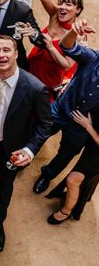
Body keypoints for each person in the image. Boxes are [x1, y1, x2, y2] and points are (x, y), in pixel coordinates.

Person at [0, 35, 52, 252]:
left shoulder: (35, 88)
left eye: (6, 50)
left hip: (11, 145)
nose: (1, 55)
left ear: (16, 54)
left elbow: (45, 124)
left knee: (3, 184)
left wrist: (30, 149)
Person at [33, 19, 98, 195]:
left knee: (65, 154)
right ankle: (27, 156)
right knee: (39, 132)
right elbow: (67, 47)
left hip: (81, 125)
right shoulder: (94, 58)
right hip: (61, 109)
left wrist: (89, 126)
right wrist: (74, 32)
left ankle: (47, 175)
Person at [28, 0, 82, 98]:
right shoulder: (54, 15)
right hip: (31, 69)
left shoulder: (77, 34)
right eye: (61, 3)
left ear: (78, 10)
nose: (62, 7)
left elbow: (67, 65)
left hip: (49, 81)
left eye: (69, 5)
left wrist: (50, 47)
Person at [46, 109, 99, 223]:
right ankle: (83, 196)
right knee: (87, 180)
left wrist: (88, 126)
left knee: (73, 179)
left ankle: (66, 212)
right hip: (92, 146)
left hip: (96, 157)